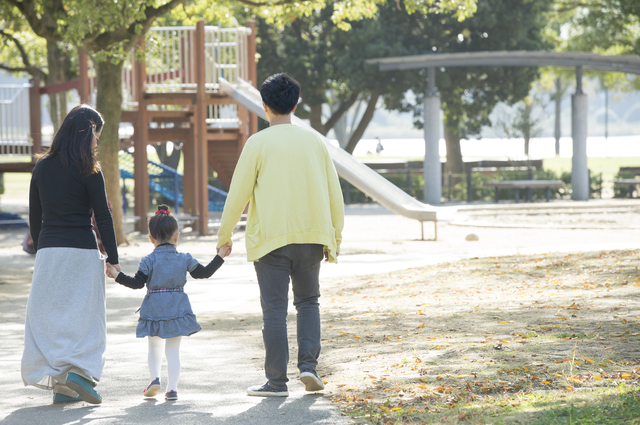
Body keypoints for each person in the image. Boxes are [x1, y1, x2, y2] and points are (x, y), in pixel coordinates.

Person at [216, 73, 345, 397]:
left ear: (264, 106)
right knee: (309, 302)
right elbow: (334, 194)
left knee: (274, 310)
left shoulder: (258, 143)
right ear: (296, 104)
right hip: (313, 235)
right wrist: (335, 239)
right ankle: (309, 368)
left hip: (271, 239)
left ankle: (276, 382)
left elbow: (238, 194)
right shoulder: (315, 141)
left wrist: (224, 235)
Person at [22, 104, 120, 405]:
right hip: (81, 250)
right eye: (96, 136)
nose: (96, 143)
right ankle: (79, 374)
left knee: (50, 315)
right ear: (87, 131)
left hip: (50, 251)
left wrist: (44, 250)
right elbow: (103, 216)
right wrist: (113, 259)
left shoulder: (41, 166)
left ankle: (61, 386)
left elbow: (34, 217)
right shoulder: (89, 168)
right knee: (86, 316)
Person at [107, 204, 230, 401]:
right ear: (176, 236)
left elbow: (137, 283)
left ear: (151, 239)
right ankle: (172, 389)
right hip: (177, 307)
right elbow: (203, 273)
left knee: (154, 347)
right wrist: (220, 255)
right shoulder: (184, 258)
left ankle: (155, 379)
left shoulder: (148, 260)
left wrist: (117, 275)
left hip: (154, 308)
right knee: (173, 350)